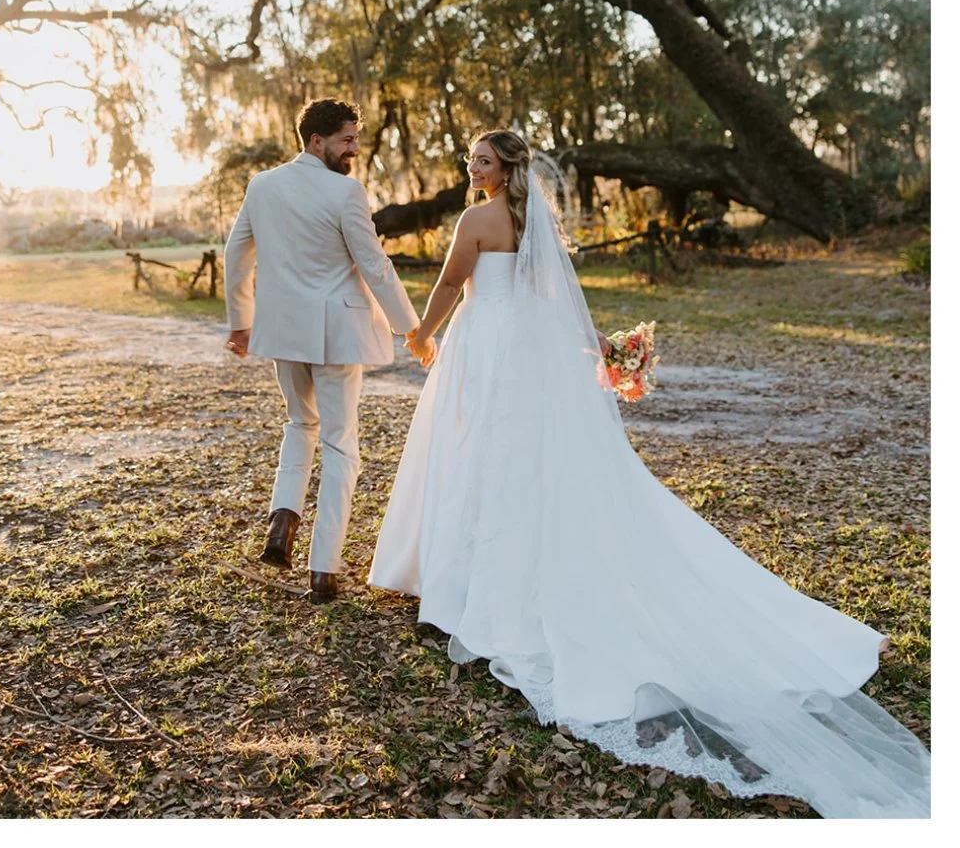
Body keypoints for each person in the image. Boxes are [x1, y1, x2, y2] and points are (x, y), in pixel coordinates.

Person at [370, 130, 930, 818]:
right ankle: (466, 571)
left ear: (505, 168)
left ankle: (468, 582)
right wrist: (594, 347)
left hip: (485, 349)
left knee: (475, 454)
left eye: (482, 160)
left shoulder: (477, 219)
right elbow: (552, 299)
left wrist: (423, 335)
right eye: (471, 159)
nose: (472, 167)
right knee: (510, 459)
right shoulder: (530, 218)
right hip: (522, 355)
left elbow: (453, 284)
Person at [225, 98, 422, 604]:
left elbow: (236, 253)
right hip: (336, 336)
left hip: (283, 334)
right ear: (317, 140)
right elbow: (375, 265)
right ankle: (323, 569)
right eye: (347, 140)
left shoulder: (262, 186)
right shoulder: (345, 192)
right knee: (339, 445)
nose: (354, 149)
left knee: (299, 425)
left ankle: (282, 521)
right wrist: (411, 328)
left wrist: (240, 323)